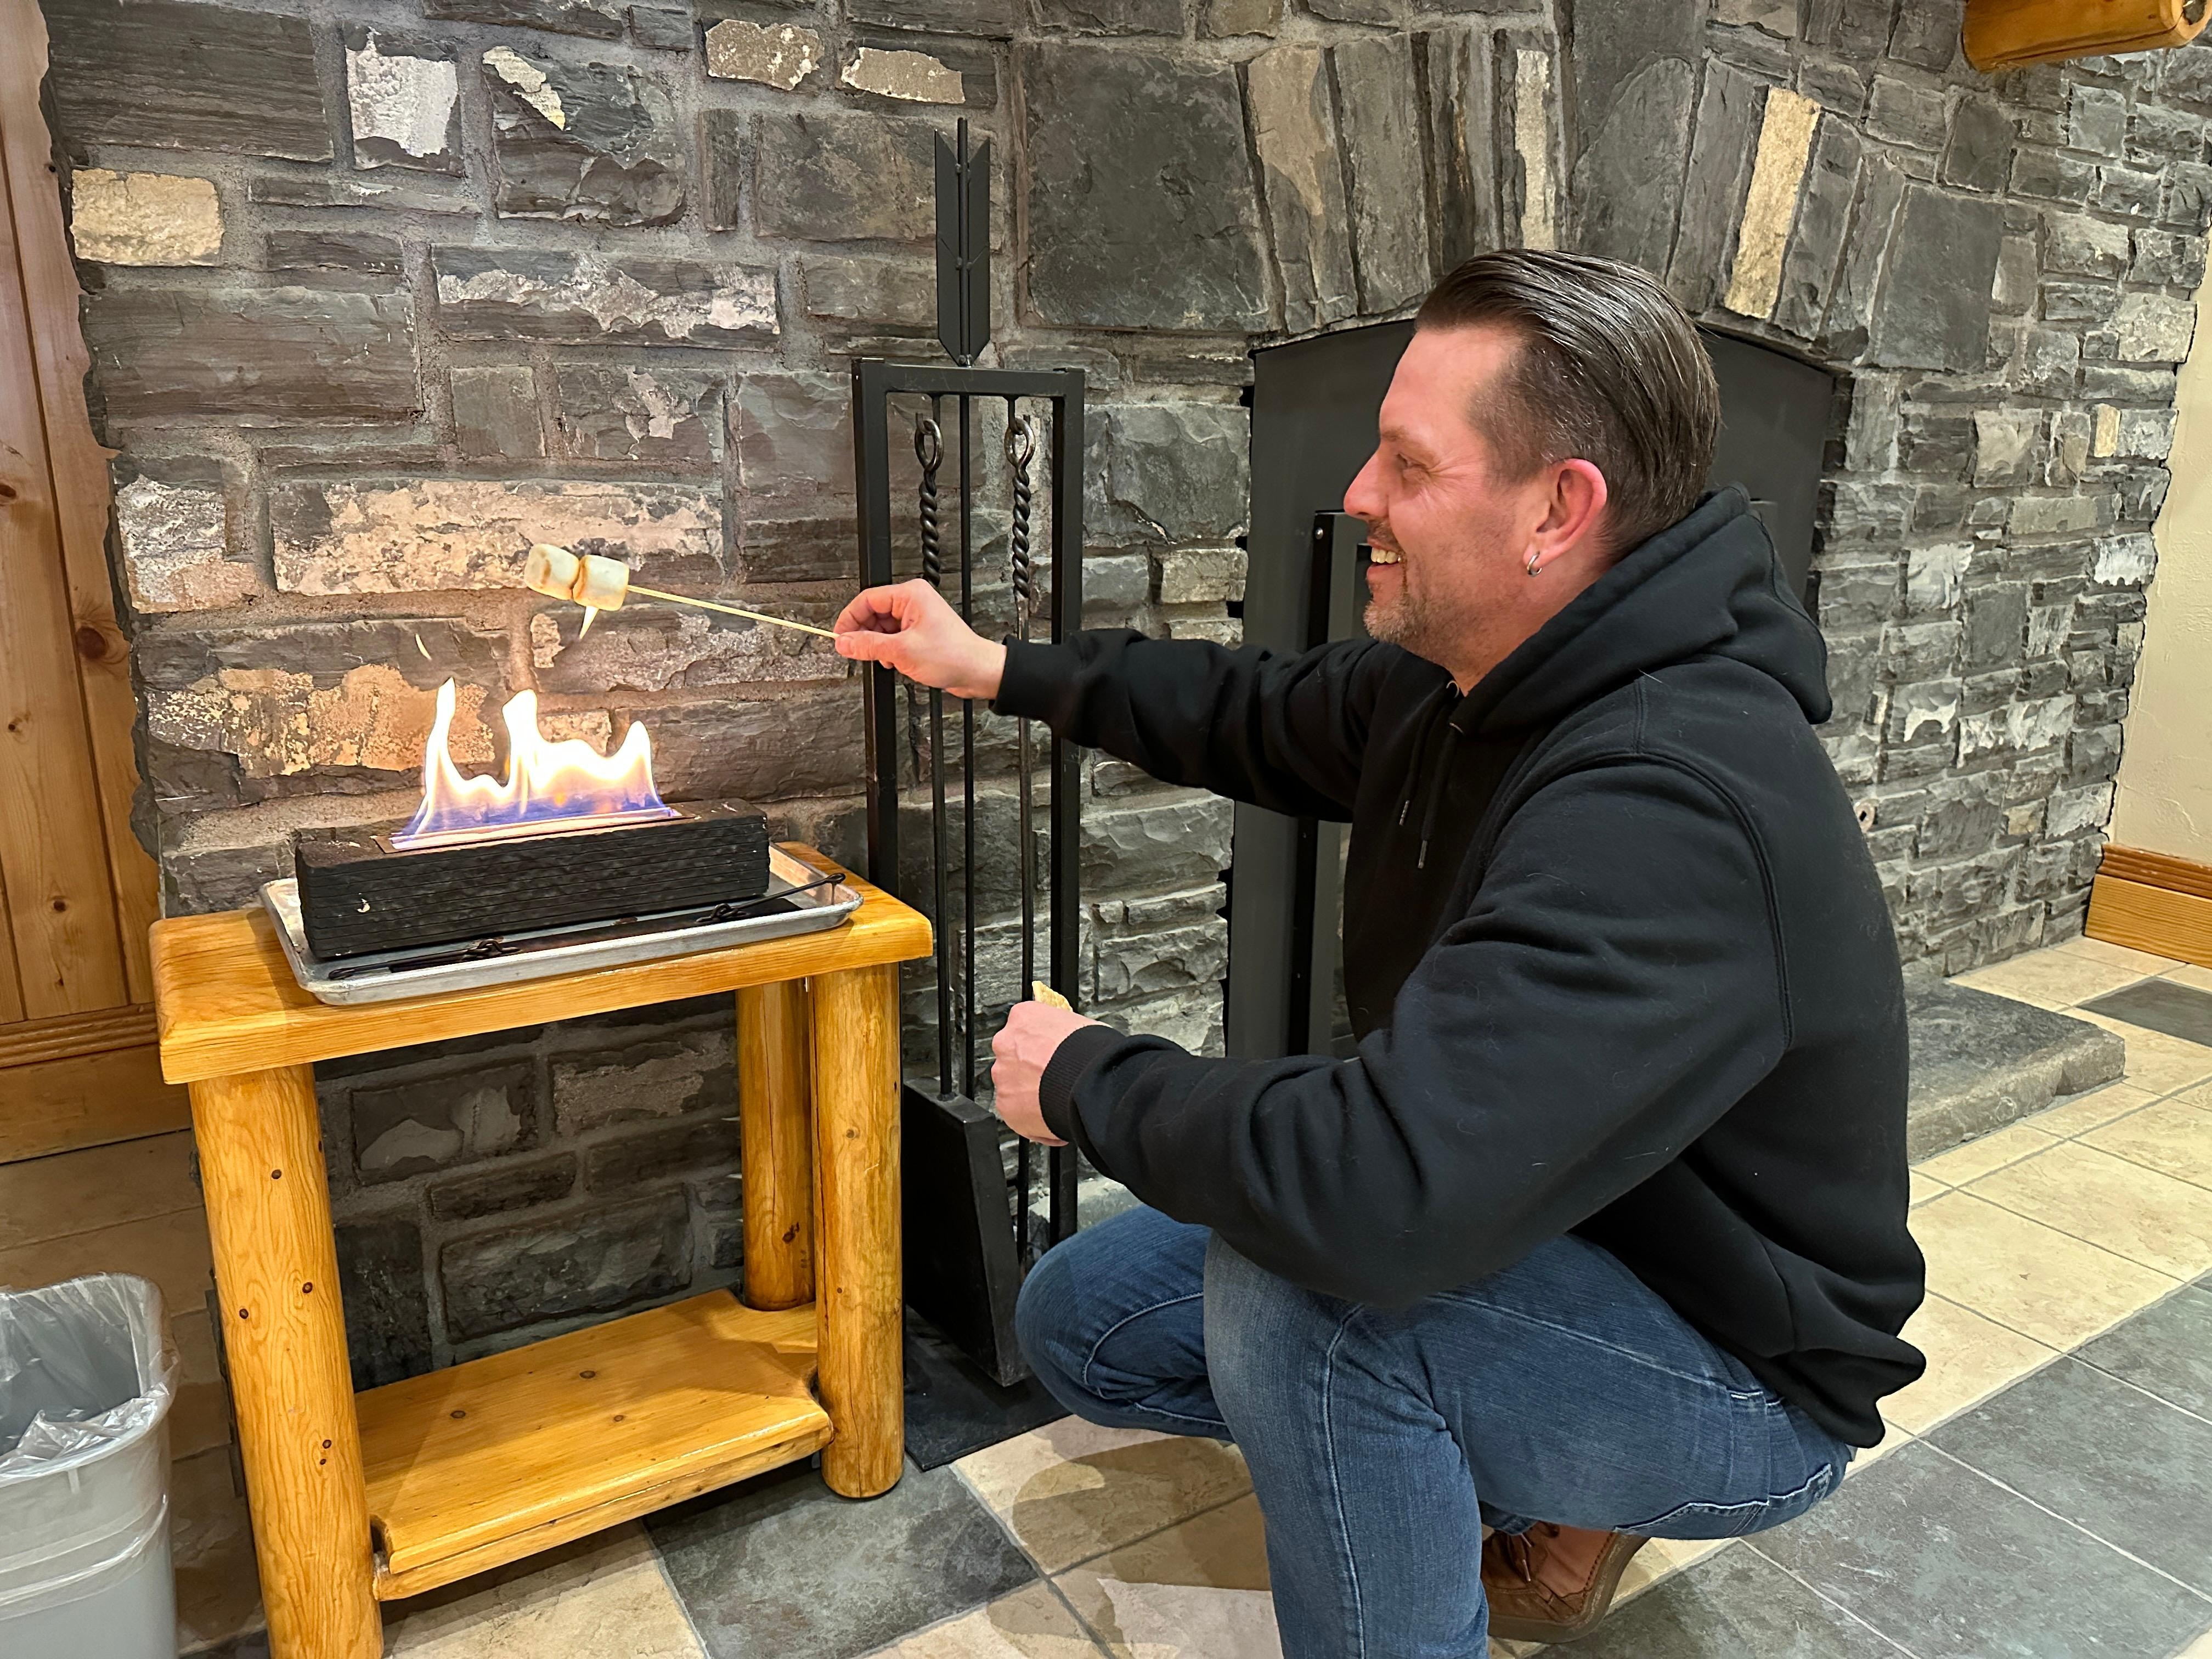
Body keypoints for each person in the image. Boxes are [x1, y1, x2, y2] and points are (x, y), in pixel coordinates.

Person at [833, 249, 1925, 1656]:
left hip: (1734, 1362)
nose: (1358, 494)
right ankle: (1484, 1464)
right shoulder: (1476, 669)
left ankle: (1533, 1479)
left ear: (1557, 509)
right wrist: (995, 665)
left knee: (1321, 1300)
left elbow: (1382, 1189)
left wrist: (1094, 1080)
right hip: (1547, 1204)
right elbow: (1257, 710)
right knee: (1084, 1319)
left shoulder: (1673, 800)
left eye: (1409, 464)